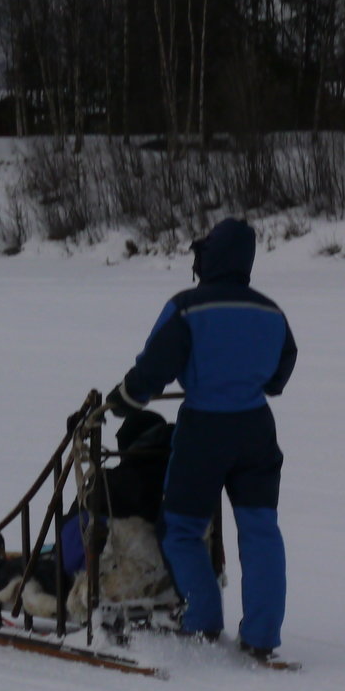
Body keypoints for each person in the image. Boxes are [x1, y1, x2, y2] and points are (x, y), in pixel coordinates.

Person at [105, 218, 297, 662]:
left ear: (208, 256)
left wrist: (123, 399)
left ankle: (202, 618)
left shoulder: (187, 307)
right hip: (256, 431)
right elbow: (280, 373)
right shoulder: (271, 312)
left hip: (205, 429)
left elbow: (153, 369)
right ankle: (262, 635)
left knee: (181, 529)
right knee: (260, 530)